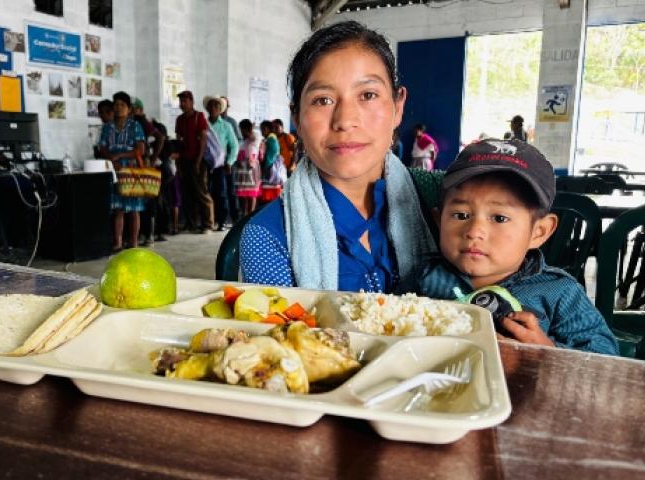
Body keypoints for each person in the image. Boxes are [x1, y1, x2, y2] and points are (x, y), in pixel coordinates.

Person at [239, 21, 437, 292]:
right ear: (296, 116)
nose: (345, 121)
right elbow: (282, 331)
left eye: (367, 95)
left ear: (397, 107)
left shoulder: (443, 198)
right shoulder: (267, 237)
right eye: (323, 100)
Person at [415, 139, 618, 355]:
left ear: (539, 232)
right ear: (439, 222)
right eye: (461, 215)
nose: (474, 231)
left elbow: (606, 356)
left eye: (500, 218)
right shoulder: (421, 278)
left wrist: (547, 350)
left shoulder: (561, 293)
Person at [97, 91, 146, 252]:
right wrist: (112, 158)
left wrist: (121, 155)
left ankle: (133, 243)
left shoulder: (135, 126)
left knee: (133, 209)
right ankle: (118, 243)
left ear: (129, 109)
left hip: (131, 168)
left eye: (122, 105)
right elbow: (102, 147)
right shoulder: (107, 127)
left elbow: (140, 150)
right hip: (114, 169)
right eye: (116, 105)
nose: (118, 108)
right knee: (118, 208)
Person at [175, 90, 214, 233]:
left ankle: (208, 224)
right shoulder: (179, 120)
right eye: (181, 101)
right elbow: (179, 141)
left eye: (185, 101)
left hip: (198, 160)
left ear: (191, 102)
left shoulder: (199, 117)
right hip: (184, 160)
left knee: (201, 192)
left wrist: (198, 161)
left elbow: (203, 140)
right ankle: (191, 224)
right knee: (187, 193)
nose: (182, 104)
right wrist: (178, 163)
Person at [132, 97, 166, 246]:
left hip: (144, 165)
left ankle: (150, 235)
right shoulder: (129, 123)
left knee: (149, 200)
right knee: (140, 200)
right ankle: (145, 234)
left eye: (133, 108)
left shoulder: (141, 121)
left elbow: (160, 137)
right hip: (135, 165)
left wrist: (152, 158)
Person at [204, 95, 240, 231]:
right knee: (208, 192)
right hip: (206, 164)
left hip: (221, 165)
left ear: (220, 110)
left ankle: (223, 220)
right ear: (207, 108)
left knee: (222, 193)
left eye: (216, 106)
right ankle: (210, 220)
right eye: (211, 106)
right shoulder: (204, 124)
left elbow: (234, 145)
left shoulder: (226, 126)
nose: (213, 108)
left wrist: (229, 162)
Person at [234, 119, 261, 218]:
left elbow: (252, 137)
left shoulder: (256, 136)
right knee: (244, 194)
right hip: (242, 168)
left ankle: (251, 214)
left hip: (251, 168)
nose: (241, 132)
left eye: (242, 129)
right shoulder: (244, 141)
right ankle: (244, 214)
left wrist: (251, 129)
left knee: (252, 193)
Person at [258, 120, 283, 204]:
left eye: (262, 130)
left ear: (266, 129)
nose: (261, 132)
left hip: (271, 168)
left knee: (270, 194)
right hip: (270, 167)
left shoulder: (271, 139)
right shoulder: (269, 139)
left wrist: (266, 164)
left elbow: (273, 151)